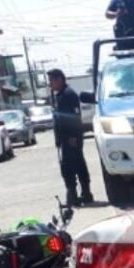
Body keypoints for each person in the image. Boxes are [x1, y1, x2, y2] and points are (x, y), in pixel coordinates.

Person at [47, 69, 93, 207]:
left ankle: (75, 196)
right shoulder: (60, 95)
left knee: (70, 167)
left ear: (60, 79)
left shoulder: (69, 95)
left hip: (71, 138)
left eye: (51, 80)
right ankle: (82, 194)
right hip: (65, 138)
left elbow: (74, 117)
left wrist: (73, 136)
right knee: (75, 165)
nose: (50, 84)